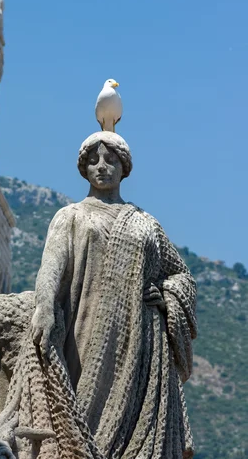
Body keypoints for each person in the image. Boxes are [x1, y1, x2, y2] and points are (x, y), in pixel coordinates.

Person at [31, 131, 197, 459]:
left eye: (111, 160)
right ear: (83, 168)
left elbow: (183, 276)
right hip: (84, 335)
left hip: (140, 345)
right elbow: (50, 267)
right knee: (81, 411)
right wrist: (44, 305)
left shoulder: (146, 225)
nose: (102, 166)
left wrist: (166, 295)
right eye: (93, 160)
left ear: (124, 168)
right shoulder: (71, 216)